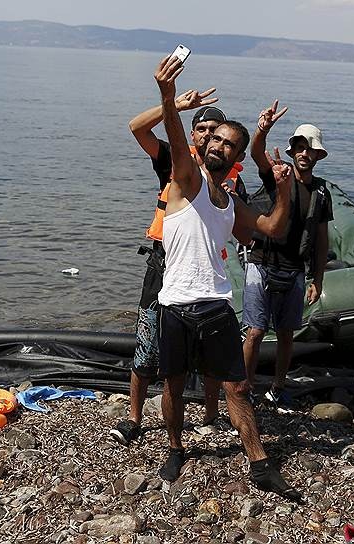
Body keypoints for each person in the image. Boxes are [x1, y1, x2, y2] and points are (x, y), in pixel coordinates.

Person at [153, 54, 301, 501]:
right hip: (176, 304)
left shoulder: (229, 201)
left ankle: (259, 463)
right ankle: (176, 448)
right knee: (174, 386)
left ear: (236, 156)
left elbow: (272, 228)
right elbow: (175, 137)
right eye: (214, 138)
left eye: (228, 144)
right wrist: (167, 95)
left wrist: (284, 190)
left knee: (237, 386)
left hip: (216, 303)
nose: (217, 145)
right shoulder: (187, 179)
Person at [110, 93, 248, 446]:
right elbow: (137, 128)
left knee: (211, 351)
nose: (208, 136)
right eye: (201, 129)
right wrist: (174, 106)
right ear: (192, 133)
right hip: (163, 265)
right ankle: (134, 418)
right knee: (147, 341)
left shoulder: (229, 178)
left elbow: (244, 225)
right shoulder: (173, 159)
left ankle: (211, 415)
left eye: (215, 131)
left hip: (204, 273)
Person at [243, 100, 333, 405]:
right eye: (300, 148)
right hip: (262, 263)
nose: (304, 154)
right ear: (292, 151)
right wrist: (262, 129)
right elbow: (257, 154)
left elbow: (321, 239)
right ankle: (245, 388)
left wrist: (317, 279)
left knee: (285, 334)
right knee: (255, 332)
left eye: (311, 149)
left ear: (318, 155)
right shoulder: (278, 174)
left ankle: (278, 388)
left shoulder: (321, 192)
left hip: (294, 269)